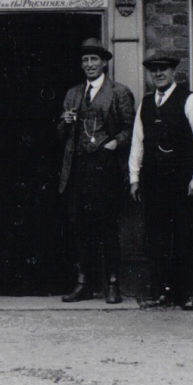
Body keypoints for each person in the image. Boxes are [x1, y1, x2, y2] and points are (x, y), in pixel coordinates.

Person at [128, 50, 193, 310]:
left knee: (187, 236)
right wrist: (134, 177)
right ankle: (162, 292)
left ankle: (191, 293)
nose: (158, 73)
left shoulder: (190, 100)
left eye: (163, 69)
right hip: (154, 181)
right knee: (157, 237)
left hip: (183, 181)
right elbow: (137, 142)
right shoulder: (146, 103)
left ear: (174, 71)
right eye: (153, 70)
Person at [57, 37, 135, 303]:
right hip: (78, 168)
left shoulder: (119, 92)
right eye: (85, 60)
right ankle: (84, 284)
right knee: (80, 227)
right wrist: (65, 121)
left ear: (103, 63)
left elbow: (130, 129)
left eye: (94, 59)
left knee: (107, 226)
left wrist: (114, 143)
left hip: (106, 167)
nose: (89, 64)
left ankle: (112, 284)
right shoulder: (73, 93)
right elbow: (60, 135)